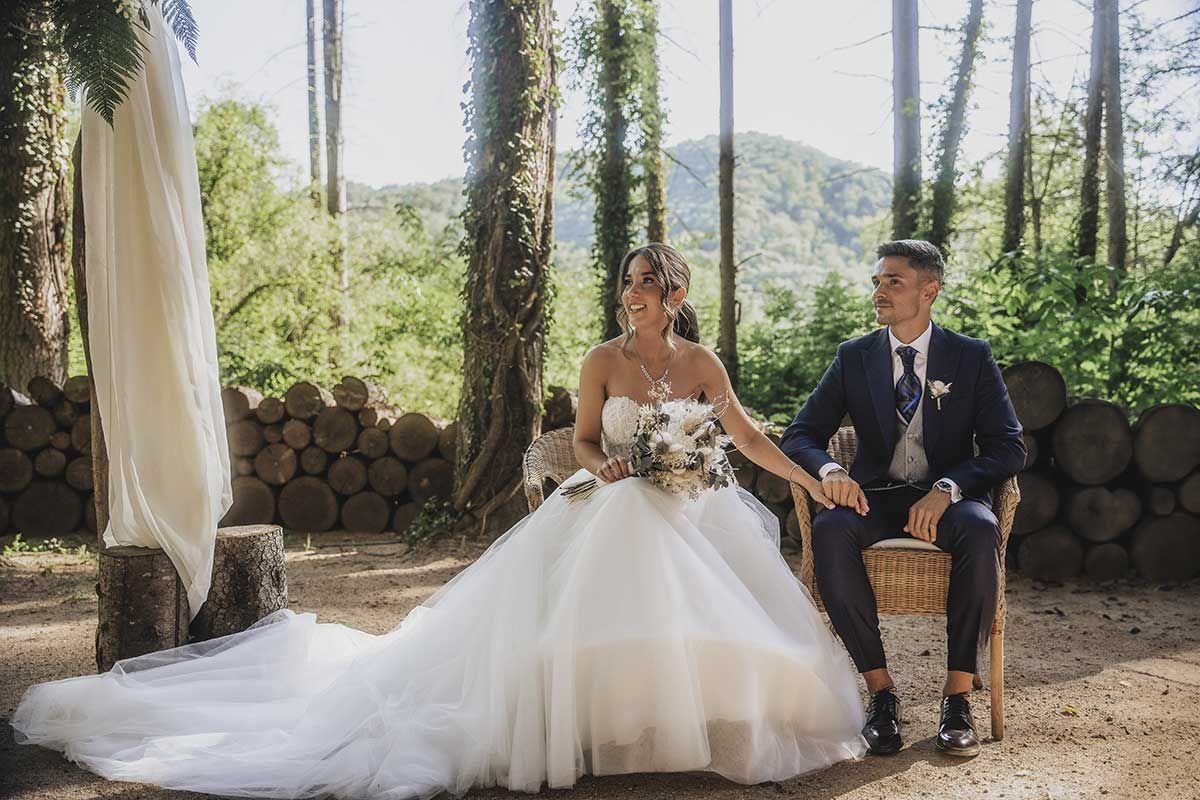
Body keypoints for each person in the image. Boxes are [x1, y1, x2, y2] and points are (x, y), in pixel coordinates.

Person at [13, 243, 868, 799]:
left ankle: (670, 721)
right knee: (617, 543)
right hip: (615, 498)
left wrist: (812, 478)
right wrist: (603, 462)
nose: (631, 296)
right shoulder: (602, 358)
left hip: (690, 507)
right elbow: (577, 436)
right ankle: (588, 725)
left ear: (675, 295)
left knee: (701, 585)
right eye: (626, 284)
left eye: (645, 285)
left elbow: (745, 434)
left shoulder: (701, 361)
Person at [781, 239, 1025, 758]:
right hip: (876, 496)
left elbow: (1009, 446)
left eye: (893, 280)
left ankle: (957, 698)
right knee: (830, 530)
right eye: (876, 281)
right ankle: (881, 693)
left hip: (949, 498)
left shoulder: (971, 357)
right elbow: (800, 434)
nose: (879, 291)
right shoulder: (854, 357)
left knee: (982, 531)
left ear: (929, 289)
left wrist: (947, 488)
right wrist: (829, 470)